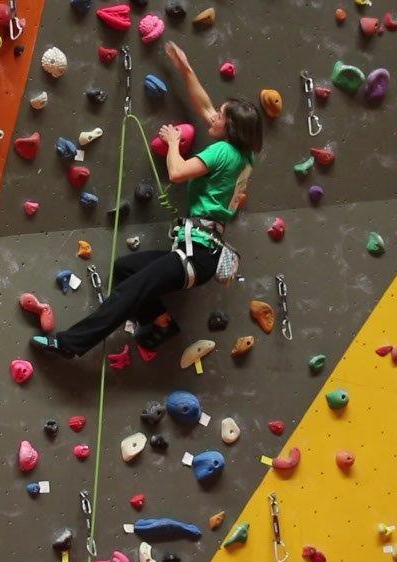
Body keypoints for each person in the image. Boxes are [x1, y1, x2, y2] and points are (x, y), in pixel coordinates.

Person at [31, 41, 263, 358]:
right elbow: (206, 106)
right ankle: (162, 323)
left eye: (220, 117)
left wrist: (173, 142)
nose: (213, 117)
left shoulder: (222, 151)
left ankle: (70, 345)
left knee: (128, 292)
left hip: (195, 254)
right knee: (125, 269)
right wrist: (185, 67)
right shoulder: (245, 156)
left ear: (231, 127)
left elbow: (178, 173)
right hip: (200, 251)